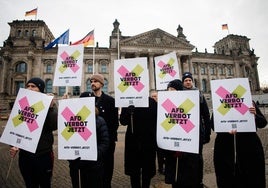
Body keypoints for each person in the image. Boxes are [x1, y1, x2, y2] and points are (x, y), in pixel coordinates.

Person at [9, 77, 58, 188]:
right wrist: (14, 145)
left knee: (45, 184)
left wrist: (51, 108)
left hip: (43, 154)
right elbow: (15, 128)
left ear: (40, 89)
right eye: (28, 86)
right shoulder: (22, 104)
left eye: (33, 86)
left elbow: (54, 126)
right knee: (30, 184)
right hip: (25, 155)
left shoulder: (48, 104)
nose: (29, 88)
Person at [211, 101, 267, 188]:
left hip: (249, 147)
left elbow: (263, 123)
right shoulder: (220, 103)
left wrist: (255, 115)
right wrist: (226, 129)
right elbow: (214, 125)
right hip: (225, 148)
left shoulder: (248, 102)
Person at [80, 73, 119, 188]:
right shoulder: (84, 97)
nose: (92, 83)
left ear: (102, 84)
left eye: (96, 81)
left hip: (105, 144)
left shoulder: (110, 101)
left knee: (106, 175)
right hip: (88, 143)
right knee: (89, 177)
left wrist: (108, 143)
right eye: (91, 81)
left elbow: (114, 124)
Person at [164, 79, 204, 188]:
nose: (169, 92)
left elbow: (195, 130)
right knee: (175, 181)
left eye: (172, 89)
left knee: (188, 180)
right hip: (172, 153)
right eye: (168, 90)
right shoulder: (166, 107)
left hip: (188, 155)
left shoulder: (189, 105)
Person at [119, 97, 157, 188]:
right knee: (134, 171)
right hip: (133, 142)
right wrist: (128, 112)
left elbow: (156, 120)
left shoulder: (151, 102)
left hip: (148, 141)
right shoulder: (128, 102)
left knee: (147, 171)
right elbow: (123, 121)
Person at [182, 72, 211, 187]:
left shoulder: (199, 95)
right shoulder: (178, 94)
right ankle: (187, 180)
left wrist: (207, 132)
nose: (188, 82)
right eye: (186, 80)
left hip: (197, 131)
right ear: (183, 82)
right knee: (185, 157)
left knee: (198, 157)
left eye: (190, 80)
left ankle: (199, 181)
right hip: (184, 131)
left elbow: (206, 114)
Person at [68, 107, 110, 188]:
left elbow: (105, 142)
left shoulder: (99, 120)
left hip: (94, 166)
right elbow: (66, 144)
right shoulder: (71, 120)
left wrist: (94, 154)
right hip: (76, 165)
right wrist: (71, 157)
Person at [150, 90, 165, 175]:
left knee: (160, 153)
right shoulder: (148, 107)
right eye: (152, 97)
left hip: (161, 133)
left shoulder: (163, 106)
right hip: (151, 134)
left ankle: (161, 167)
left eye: (156, 96)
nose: (154, 98)